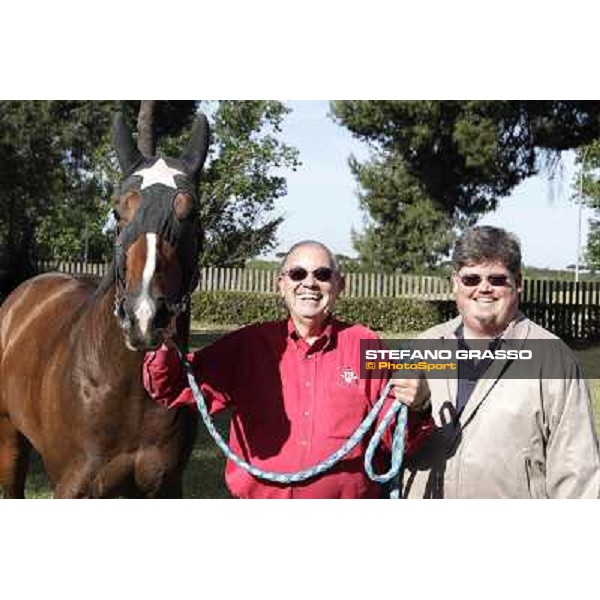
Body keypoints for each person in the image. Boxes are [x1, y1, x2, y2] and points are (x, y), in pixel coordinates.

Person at [143, 240, 433, 498]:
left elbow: (395, 435)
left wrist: (417, 405)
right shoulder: (247, 345)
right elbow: (173, 386)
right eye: (297, 274)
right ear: (280, 284)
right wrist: (165, 344)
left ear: (339, 286)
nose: (309, 283)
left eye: (322, 274)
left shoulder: (367, 345)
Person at [402, 225, 600, 499]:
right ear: (454, 283)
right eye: (471, 279)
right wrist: (418, 409)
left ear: (518, 283)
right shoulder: (424, 347)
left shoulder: (554, 359)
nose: (483, 288)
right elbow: (389, 446)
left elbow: (578, 475)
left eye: (496, 279)